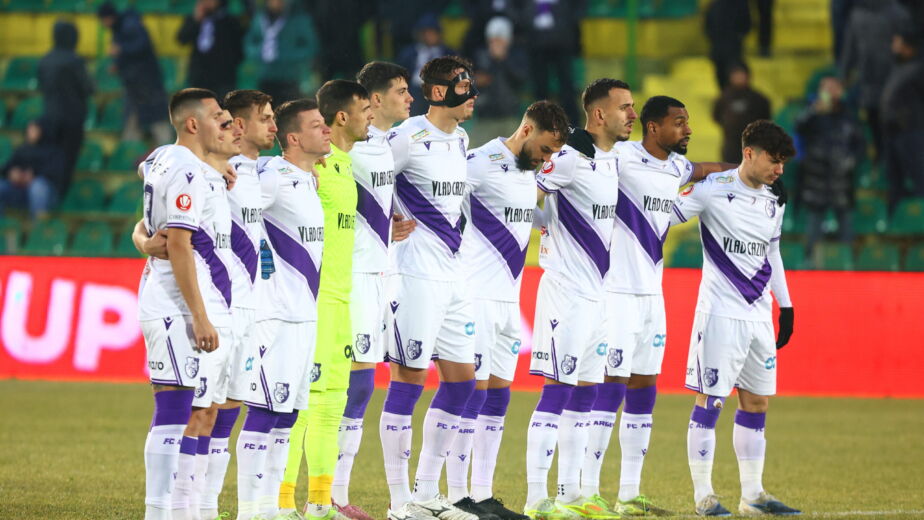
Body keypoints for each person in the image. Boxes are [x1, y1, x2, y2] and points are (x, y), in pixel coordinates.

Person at [446, 100, 569, 520]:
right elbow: (435, 196)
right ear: (527, 129)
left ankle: (482, 494)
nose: (546, 160)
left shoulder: (529, 174)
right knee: (471, 396)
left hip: (509, 302)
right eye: (546, 149)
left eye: (553, 154)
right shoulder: (479, 162)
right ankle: (457, 495)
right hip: (475, 297)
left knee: (499, 397)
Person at [670, 120, 797, 517]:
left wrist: (786, 305)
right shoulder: (712, 190)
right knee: (710, 401)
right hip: (719, 314)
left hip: (759, 316)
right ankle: (704, 496)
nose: (779, 170)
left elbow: (772, 252)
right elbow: (664, 216)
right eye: (774, 161)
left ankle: (753, 495)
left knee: (757, 402)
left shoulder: (774, 200)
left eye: (783, 163)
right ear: (749, 153)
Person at [524, 78, 635, 520]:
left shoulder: (611, 160)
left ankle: (571, 494)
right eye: (625, 107)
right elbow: (526, 196)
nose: (632, 114)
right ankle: (536, 498)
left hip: (597, 295)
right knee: (556, 392)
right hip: (566, 292)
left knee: (587, 394)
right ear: (599, 114)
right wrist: (544, 226)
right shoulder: (569, 157)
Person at [378, 55, 481, 520]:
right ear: (439, 92)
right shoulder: (406, 137)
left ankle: (425, 493)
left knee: (463, 383)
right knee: (409, 379)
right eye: (463, 85)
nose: (472, 94)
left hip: (453, 276)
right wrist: (384, 222)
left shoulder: (460, 138)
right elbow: (369, 182)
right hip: (414, 274)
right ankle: (400, 501)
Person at [136, 88, 231, 520]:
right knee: (174, 412)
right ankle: (158, 513)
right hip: (175, 306)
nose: (224, 122)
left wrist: (141, 237)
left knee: (179, 410)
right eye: (216, 116)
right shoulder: (187, 169)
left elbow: (145, 183)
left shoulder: (161, 158)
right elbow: (177, 242)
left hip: (163, 298)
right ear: (193, 124)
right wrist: (199, 316)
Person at [277, 80, 371, 520]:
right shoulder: (300, 171)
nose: (325, 132)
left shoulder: (344, 165)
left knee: (332, 402)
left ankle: (319, 502)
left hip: (341, 301)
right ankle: (279, 503)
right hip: (311, 302)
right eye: (317, 125)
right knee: (299, 405)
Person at [235, 99, 329, 520]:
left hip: (304, 314)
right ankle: (250, 510)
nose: (326, 130)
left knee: (287, 415)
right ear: (294, 138)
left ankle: (273, 508)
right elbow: (229, 191)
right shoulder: (272, 175)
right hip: (274, 314)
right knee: (264, 410)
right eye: (317, 125)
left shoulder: (307, 180)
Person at [331, 61, 415, 520]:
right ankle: (331, 494)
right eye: (401, 90)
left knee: (363, 385)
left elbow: (376, 198)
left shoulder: (387, 144)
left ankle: (332, 494)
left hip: (382, 272)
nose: (409, 97)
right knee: (357, 385)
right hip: (353, 276)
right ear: (374, 99)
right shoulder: (340, 147)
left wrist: (389, 223)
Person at [796, 77, 864, 257]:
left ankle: (847, 263)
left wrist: (851, 161)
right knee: (814, 227)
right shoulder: (812, 112)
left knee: (846, 226)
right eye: (826, 88)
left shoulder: (848, 114)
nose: (831, 92)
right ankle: (810, 263)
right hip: (816, 179)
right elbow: (799, 127)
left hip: (842, 180)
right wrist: (813, 111)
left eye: (834, 88)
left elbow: (859, 144)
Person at [839, 0, 911, 162]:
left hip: (887, 85)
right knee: (879, 128)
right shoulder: (858, 14)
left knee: (888, 130)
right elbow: (850, 48)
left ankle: (887, 164)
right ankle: (883, 164)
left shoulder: (897, 13)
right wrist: (843, 75)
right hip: (875, 84)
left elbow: (907, 49)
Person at [97, 1, 172, 143]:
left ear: (108, 17)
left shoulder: (129, 26)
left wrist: (121, 50)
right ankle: (131, 149)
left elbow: (141, 46)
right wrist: (118, 65)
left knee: (156, 118)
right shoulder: (121, 27)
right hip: (135, 83)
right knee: (134, 118)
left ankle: (167, 147)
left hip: (146, 82)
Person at [37, 20, 92, 198]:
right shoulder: (74, 60)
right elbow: (88, 88)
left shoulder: (45, 60)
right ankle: (60, 197)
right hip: (72, 120)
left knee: (51, 159)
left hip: (50, 117)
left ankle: (49, 197)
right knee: (67, 160)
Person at [520, 0, 586, 123]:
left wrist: (565, 21)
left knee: (566, 86)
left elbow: (579, 7)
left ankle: (572, 124)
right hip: (536, 42)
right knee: (540, 86)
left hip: (562, 40)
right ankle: (541, 122)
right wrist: (527, 18)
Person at [880, 28, 924, 212]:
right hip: (893, 132)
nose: (893, 47)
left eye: (897, 43)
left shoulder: (919, 68)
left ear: (908, 47)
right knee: (894, 180)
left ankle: (918, 221)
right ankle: (895, 221)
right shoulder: (898, 66)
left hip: (912, 131)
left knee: (918, 178)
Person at [244, 0, 319, 105]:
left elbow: (311, 47)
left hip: (290, 76)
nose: (276, 3)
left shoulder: (299, 19)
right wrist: (259, 53)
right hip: (264, 74)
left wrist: (288, 56)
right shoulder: (260, 19)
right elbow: (249, 42)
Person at [471, 16, 529, 146]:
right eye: (493, 39)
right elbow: (471, 81)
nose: (496, 42)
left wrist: (504, 59)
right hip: (484, 118)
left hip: (509, 116)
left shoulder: (516, 55)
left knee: (513, 156)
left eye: (500, 38)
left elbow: (521, 80)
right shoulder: (480, 55)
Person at [177, 0, 245, 100]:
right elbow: (182, 39)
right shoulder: (195, 19)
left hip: (223, 78)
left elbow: (238, 51)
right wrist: (196, 20)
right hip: (199, 76)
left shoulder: (230, 21)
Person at [0, 118, 64, 218]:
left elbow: (54, 174)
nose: (31, 132)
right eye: (30, 129)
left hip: (45, 194)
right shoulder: (22, 149)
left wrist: (33, 176)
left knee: (37, 186)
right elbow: (6, 168)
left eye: (35, 130)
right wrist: (12, 173)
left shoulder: (53, 151)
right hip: (20, 191)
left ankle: (38, 225)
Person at [397, 14, 455, 117]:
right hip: (416, 89)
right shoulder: (410, 52)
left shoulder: (448, 52)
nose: (429, 36)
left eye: (432, 33)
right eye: (426, 33)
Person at [712, 63, 771, 165]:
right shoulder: (724, 98)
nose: (739, 78)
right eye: (736, 75)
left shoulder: (758, 98)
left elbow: (766, 117)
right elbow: (716, 116)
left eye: (741, 74)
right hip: (731, 145)